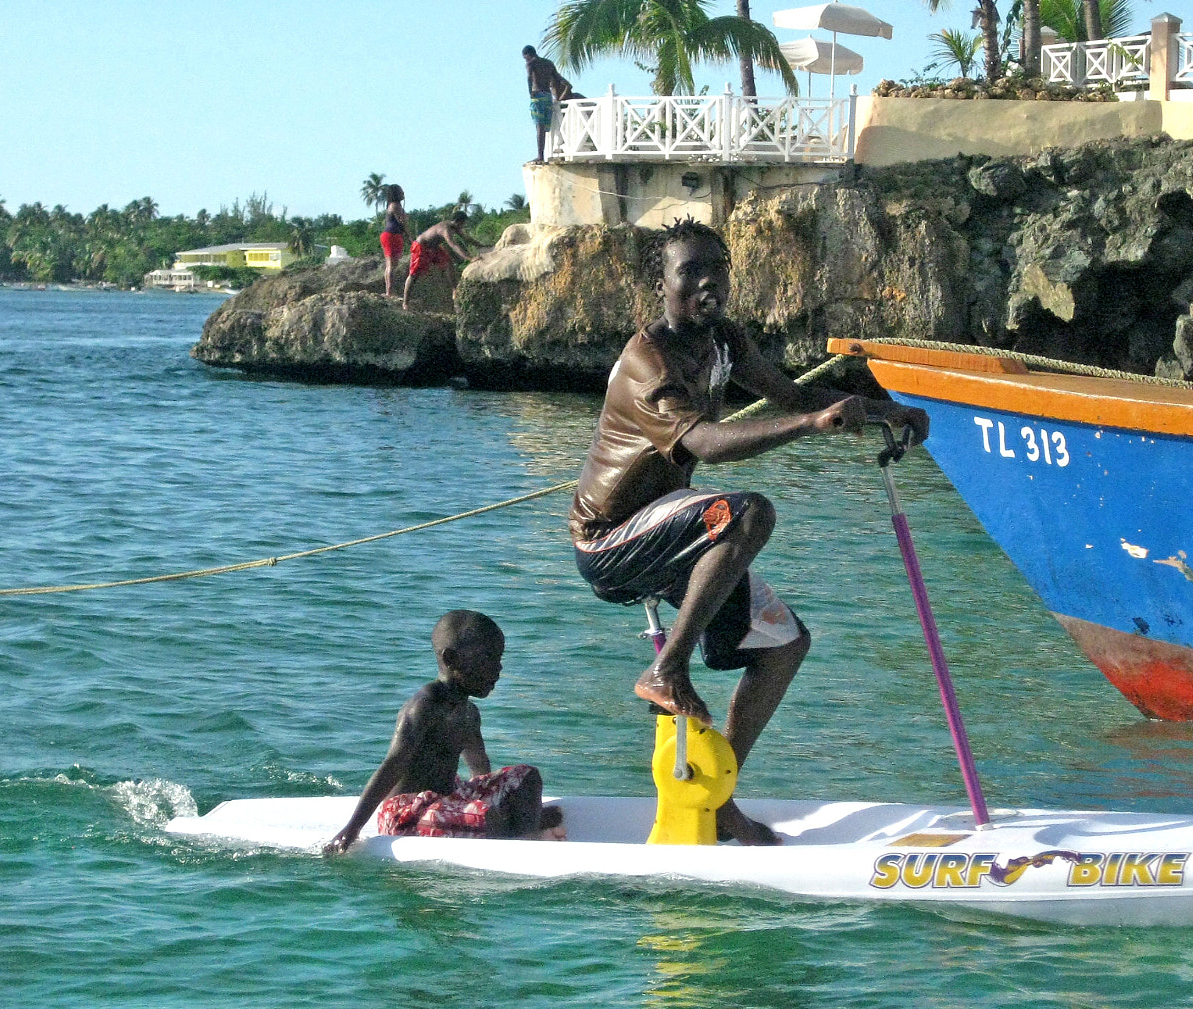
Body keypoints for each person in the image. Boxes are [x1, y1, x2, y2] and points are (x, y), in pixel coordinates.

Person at [569, 218, 929, 845]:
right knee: (749, 512)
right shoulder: (646, 361)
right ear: (664, 284)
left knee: (784, 644)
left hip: (680, 532)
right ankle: (668, 670)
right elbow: (707, 441)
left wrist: (883, 411)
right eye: (691, 272)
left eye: (718, 269)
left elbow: (787, 394)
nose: (709, 282)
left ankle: (714, 795)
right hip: (610, 539)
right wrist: (814, 425)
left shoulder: (725, 341)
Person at [323, 610, 563, 855]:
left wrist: (514, 805)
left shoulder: (469, 712)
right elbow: (392, 766)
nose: (498, 668)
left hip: (449, 799)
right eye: (488, 658)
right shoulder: (425, 705)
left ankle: (523, 833)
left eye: (499, 658)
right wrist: (352, 828)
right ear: (451, 659)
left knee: (528, 776)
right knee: (486, 816)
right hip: (408, 813)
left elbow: (481, 773)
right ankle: (523, 837)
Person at [400, 211, 473, 311]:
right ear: (457, 222)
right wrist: (469, 258)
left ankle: (454, 289)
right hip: (421, 246)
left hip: (434, 247)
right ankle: (405, 303)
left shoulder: (455, 227)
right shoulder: (445, 229)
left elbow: (467, 239)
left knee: (448, 263)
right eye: (463, 224)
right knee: (414, 275)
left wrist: (483, 246)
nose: (463, 226)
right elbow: (454, 246)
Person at [522, 45, 579, 164]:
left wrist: (530, 93)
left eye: (525, 58)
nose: (525, 60)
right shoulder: (548, 63)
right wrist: (562, 96)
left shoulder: (531, 64)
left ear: (527, 55)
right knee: (547, 127)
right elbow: (561, 80)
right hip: (548, 97)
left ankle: (540, 155)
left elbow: (529, 79)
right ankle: (549, 152)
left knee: (539, 127)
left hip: (537, 97)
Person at [380, 184, 408, 299]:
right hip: (391, 235)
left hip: (394, 235)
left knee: (392, 264)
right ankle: (389, 290)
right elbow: (402, 222)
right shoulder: (395, 206)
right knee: (391, 264)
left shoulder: (396, 206)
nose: (403, 194)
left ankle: (389, 289)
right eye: (401, 192)